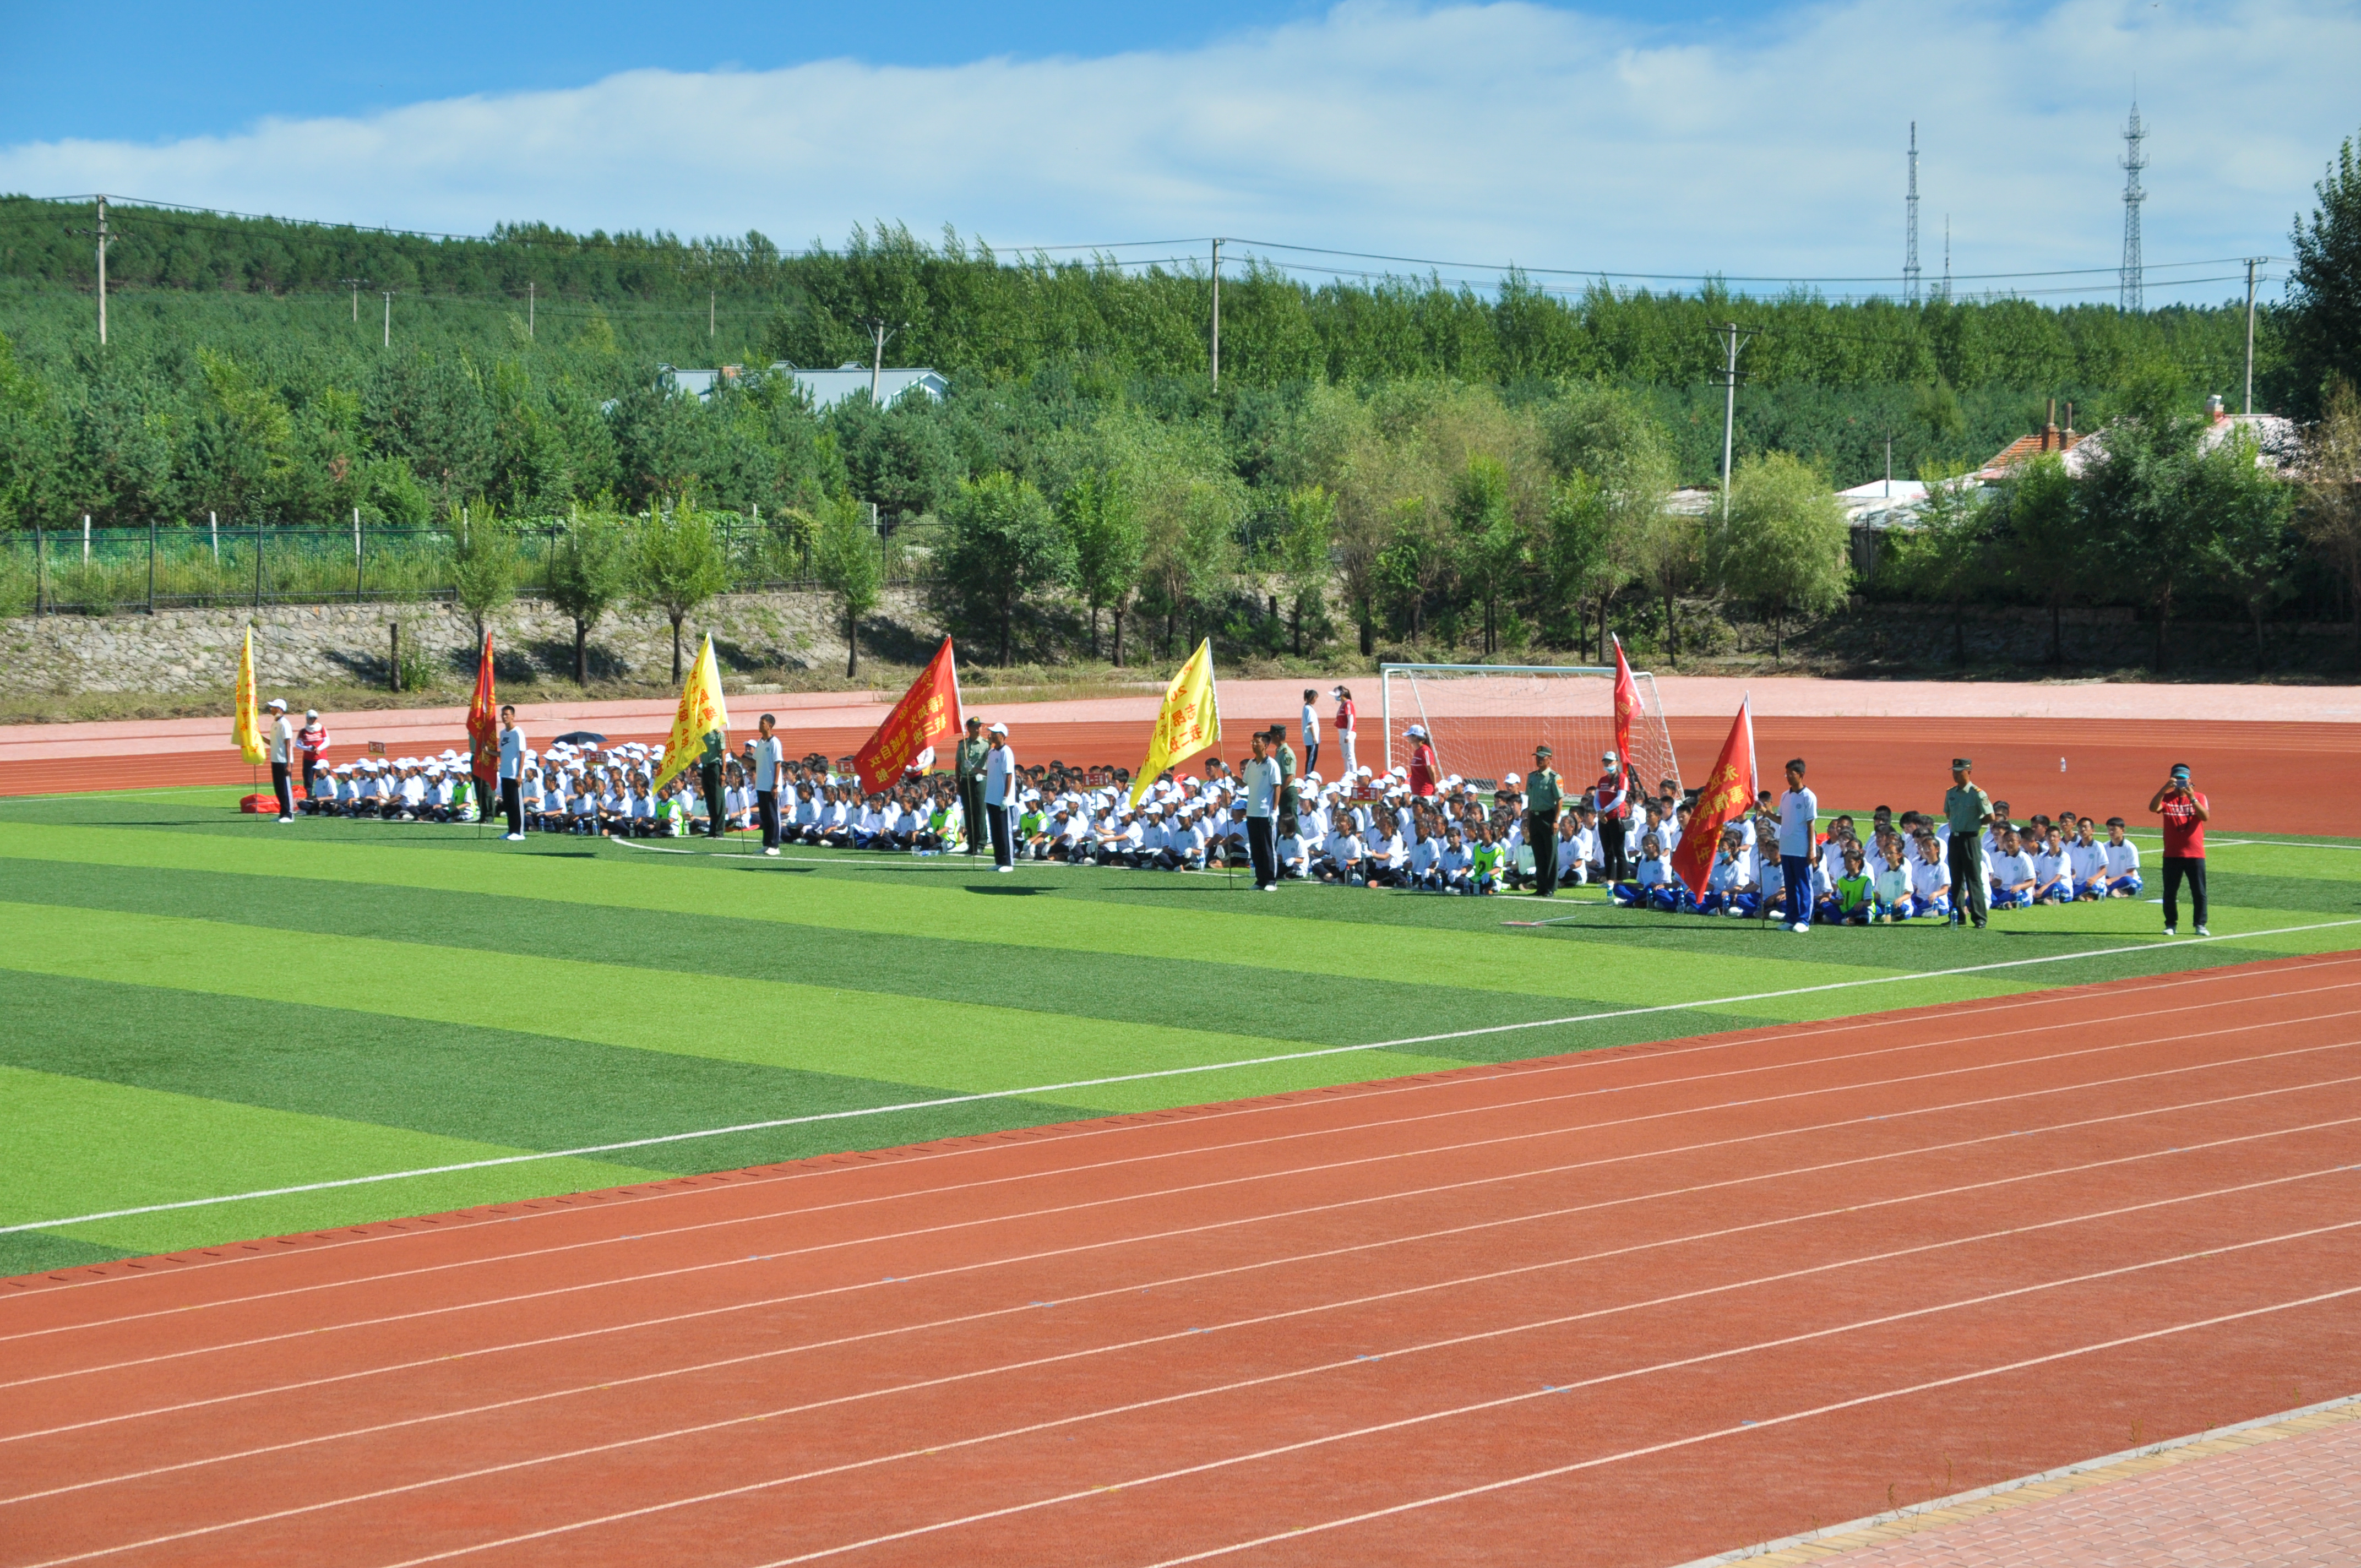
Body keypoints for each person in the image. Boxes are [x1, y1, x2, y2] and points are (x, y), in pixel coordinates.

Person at [2150, 764, 2210, 936]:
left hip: (2195, 854)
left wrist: (2192, 798)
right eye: (2178, 780)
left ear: (2191, 780)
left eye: (2185, 780)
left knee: (2199, 892)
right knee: (2170, 892)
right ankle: (2171, 925)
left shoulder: (2200, 797)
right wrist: (2164, 788)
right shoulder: (2167, 798)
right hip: (2172, 854)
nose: (2182, 783)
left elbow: (2205, 817)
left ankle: (2200, 925)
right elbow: (2153, 808)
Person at [1942, 758, 1992, 930]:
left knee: (1974, 878)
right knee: (1956, 879)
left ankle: (1979, 918)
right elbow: (1949, 814)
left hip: (1971, 839)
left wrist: (1975, 824)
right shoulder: (1951, 793)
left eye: (1959, 771)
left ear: (1969, 772)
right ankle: (1957, 915)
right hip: (1955, 838)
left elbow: (1990, 816)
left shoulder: (1978, 793)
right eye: (1954, 771)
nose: (1955, 775)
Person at [1776, 757, 1818, 934]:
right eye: (1786, 773)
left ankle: (1804, 920)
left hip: (1801, 850)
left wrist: (1811, 849)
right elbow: (1780, 819)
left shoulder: (1809, 797)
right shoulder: (1785, 796)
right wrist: (1765, 813)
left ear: (1801, 775)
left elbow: (1811, 825)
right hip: (1786, 848)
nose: (1787, 777)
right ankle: (1791, 918)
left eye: (1791, 774)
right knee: (1791, 885)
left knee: (1803, 885)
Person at [1242, 730, 1280, 891]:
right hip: (1252, 813)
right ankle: (1260, 880)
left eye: (1257, 742)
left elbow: (1277, 787)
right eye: (1253, 741)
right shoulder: (1251, 764)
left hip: (1265, 813)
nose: (1254, 744)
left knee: (1267, 848)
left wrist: (1274, 810)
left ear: (1266, 745)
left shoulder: (1272, 765)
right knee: (1256, 848)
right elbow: (1244, 783)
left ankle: (1271, 881)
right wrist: (1228, 773)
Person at [1523, 743, 1563, 899]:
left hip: (1548, 817)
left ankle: (1550, 887)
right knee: (1538, 853)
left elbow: (1559, 800)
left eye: (1542, 758)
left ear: (1550, 759)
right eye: (1537, 758)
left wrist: (1556, 820)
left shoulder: (1554, 778)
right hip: (1535, 817)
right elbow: (1530, 800)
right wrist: (1529, 819)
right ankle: (1541, 886)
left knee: (1550, 853)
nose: (1539, 760)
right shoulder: (1532, 777)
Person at [1592, 751, 1631, 884]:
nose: (1608, 764)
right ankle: (1610, 879)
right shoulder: (1602, 781)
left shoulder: (1622, 778)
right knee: (1607, 851)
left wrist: (1605, 811)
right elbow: (1597, 799)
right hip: (1604, 820)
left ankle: (1621, 879)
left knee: (1619, 850)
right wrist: (1600, 812)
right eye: (1605, 761)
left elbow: (1620, 798)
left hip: (1616, 819)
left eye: (1610, 761)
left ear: (1617, 763)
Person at [751, 713, 786, 856]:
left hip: (771, 786)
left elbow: (778, 763)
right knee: (765, 816)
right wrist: (738, 759)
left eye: (763, 723)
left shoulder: (774, 742)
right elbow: (756, 762)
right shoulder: (760, 742)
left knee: (773, 816)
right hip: (761, 785)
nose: (760, 725)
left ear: (770, 725)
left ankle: (775, 845)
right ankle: (766, 844)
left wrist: (776, 784)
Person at [983, 722, 1016, 872]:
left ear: (1002, 736)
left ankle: (1008, 863)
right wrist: (974, 768)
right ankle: (999, 861)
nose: (990, 735)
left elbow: (1008, 775)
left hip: (1002, 800)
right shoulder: (992, 752)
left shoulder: (1006, 752)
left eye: (994, 733)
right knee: (996, 831)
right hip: (991, 798)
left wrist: (1005, 797)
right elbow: (989, 773)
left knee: (1004, 832)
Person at [954, 717, 989, 858]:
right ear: (968, 729)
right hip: (966, 781)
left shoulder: (986, 745)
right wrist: (958, 783)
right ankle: (972, 844)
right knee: (968, 813)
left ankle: (980, 844)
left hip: (979, 781)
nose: (979, 729)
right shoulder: (962, 745)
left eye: (980, 726)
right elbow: (958, 765)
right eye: (975, 727)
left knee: (980, 813)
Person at [497, 704, 527, 839]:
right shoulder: (503, 733)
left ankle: (519, 832)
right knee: (508, 804)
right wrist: (488, 752)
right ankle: (511, 830)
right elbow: (503, 753)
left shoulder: (518, 733)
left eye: (507, 714)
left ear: (513, 716)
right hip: (504, 773)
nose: (504, 717)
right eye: (503, 714)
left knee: (516, 804)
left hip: (515, 775)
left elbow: (522, 754)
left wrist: (520, 774)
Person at [265, 698, 297, 821]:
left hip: (284, 761)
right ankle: (283, 813)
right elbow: (273, 743)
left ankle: (289, 815)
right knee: (278, 788)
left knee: (285, 789)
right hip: (276, 760)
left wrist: (289, 764)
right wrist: (259, 737)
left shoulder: (285, 724)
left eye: (274, 707)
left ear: (281, 709)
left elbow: (288, 744)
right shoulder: (275, 723)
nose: (271, 709)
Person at [297, 709, 330, 802]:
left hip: (321, 759)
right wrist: (308, 749)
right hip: (308, 760)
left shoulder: (322, 729)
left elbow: (327, 741)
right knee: (308, 781)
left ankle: (326, 798)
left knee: (324, 779)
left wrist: (319, 749)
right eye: (310, 718)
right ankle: (308, 799)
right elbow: (298, 744)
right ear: (307, 719)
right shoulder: (303, 732)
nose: (313, 720)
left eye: (314, 718)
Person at [1405, 723, 1439, 798]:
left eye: (1409, 736)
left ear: (1415, 737)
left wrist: (1434, 786)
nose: (1408, 738)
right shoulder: (1418, 751)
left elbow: (1431, 771)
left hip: (1424, 793)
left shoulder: (1425, 751)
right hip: (1416, 792)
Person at [1331, 685, 1358, 776]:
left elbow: (1351, 719)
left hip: (1347, 731)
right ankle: (1348, 774)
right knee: (1345, 756)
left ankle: (1354, 776)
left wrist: (1348, 733)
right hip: (1342, 731)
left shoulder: (1348, 704)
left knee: (1350, 755)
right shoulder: (1343, 705)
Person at [1300, 689, 1321, 777]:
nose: (1316, 700)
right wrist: (1314, 737)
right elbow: (1310, 724)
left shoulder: (1308, 708)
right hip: (1311, 740)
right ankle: (1308, 776)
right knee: (1311, 759)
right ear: (1312, 698)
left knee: (1313, 758)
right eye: (1315, 698)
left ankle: (1309, 775)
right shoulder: (1308, 709)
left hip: (1312, 739)